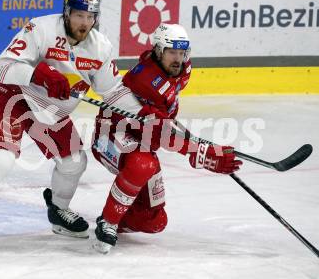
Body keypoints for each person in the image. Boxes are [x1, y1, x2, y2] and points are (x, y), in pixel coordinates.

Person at [0, 0, 143, 254]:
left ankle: (58, 211)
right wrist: (40, 75)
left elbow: (113, 92)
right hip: (13, 97)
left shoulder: (100, 47)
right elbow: (5, 66)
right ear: (67, 13)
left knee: (74, 162)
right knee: (0, 159)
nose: (84, 23)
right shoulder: (40, 29)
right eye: (78, 15)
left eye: (90, 17)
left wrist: (144, 114)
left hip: (50, 111)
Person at [91, 23, 243, 253]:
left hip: (143, 136)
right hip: (111, 135)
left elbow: (162, 126)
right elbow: (162, 134)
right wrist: (200, 153)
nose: (178, 59)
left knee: (155, 221)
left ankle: (119, 219)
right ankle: (108, 222)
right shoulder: (145, 80)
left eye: (182, 53)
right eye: (172, 52)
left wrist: (199, 148)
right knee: (143, 164)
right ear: (159, 50)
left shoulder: (182, 68)